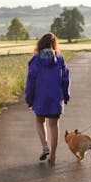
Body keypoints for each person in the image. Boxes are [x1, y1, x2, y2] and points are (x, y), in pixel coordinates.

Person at [25, 32, 71, 165]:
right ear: (54, 44)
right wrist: (66, 96)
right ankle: (53, 156)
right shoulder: (60, 59)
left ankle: (45, 147)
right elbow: (66, 80)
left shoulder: (35, 60)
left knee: (40, 122)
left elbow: (30, 82)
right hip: (56, 97)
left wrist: (29, 98)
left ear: (40, 44)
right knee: (54, 125)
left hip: (40, 98)